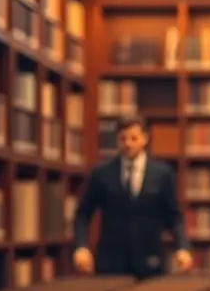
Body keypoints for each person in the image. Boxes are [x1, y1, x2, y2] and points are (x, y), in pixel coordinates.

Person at [72, 115, 193, 278]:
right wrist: (81, 246)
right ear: (117, 140)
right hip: (111, 261)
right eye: (123, 139)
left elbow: (172, 216)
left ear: (145, 139)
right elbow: (83, 214)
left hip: (150, 259)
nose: (128, 144)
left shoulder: (162, 174)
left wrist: (182, 247)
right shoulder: (101, 173)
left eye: (134, 138)